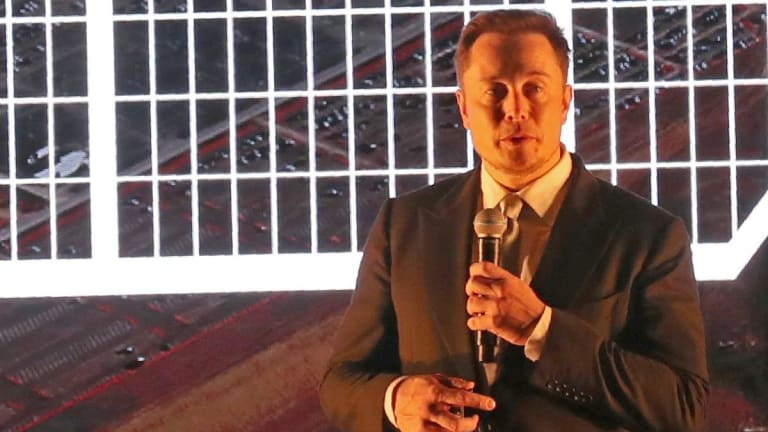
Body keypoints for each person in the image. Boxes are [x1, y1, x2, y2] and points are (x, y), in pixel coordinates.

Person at [319, 9, 708, 432]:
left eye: (534, 88)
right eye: (494, 91)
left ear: (565, 100)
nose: (515, 109)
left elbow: (682, 405)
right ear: (464, 108)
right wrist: (396, 401)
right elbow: (341, 382)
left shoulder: (648, 236)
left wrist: (543, 331)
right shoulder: (404, 225)